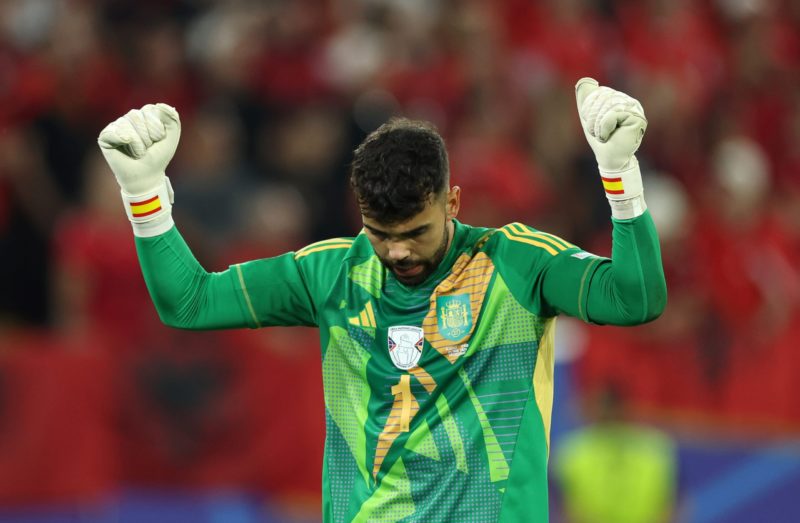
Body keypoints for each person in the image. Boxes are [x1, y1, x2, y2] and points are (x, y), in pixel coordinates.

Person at [97, 78, 666, 522]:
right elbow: (191, 303)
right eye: (379, 232)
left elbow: (635, 299)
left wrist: (620, 178)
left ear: (453, 202)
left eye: (414, 231)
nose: (396, 252)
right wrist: (144, 197)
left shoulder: (516, 264)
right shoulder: (331, 273)